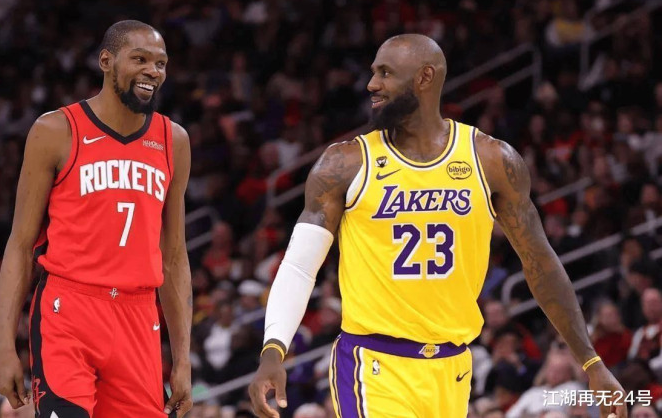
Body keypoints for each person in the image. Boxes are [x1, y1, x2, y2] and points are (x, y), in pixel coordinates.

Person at [248, 34, 626, 417]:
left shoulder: (491, 160)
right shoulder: (344, 164)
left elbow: (540, 263)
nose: (372, 84)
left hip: (453, 368)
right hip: (373, 364)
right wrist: (273, 349)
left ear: (424, 77)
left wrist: (591, 363)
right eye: (373, 72)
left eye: (385, 73)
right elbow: (299, 266)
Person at [0, 20, 193, 417]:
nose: (153, 71)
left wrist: (183, 357)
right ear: (106, 61)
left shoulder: (174, 140)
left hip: (138, 317)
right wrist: (4, 346)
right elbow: (20, 244)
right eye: (140, 59)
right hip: (68, 310)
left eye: (160, 63)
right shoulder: (55, 130)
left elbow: (174, 257)